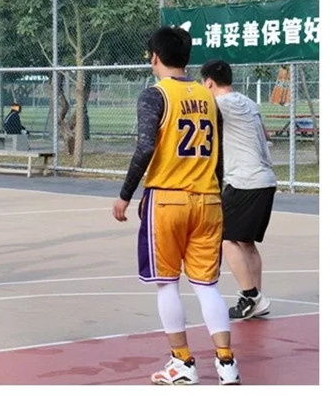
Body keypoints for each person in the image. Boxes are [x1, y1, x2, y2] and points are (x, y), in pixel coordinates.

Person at [112, 26, 240, 386]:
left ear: (154, 57)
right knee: (206, 285)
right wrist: (215, 191)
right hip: (208, 198)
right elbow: (218, 154)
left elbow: (145, 147)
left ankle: (182, 361)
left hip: (167, 199)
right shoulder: (208, 96)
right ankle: (227, 364)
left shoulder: (155, 95)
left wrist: (125, 194)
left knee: (167, 283)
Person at [201, 59, 276, 320]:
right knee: (246, 242)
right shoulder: (249, 102)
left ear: (208, 82)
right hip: (266, 180)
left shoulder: (218, 104)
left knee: (224, 238)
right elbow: (266, 135)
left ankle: (251, 296)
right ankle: (255, 299)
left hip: (245, 180)